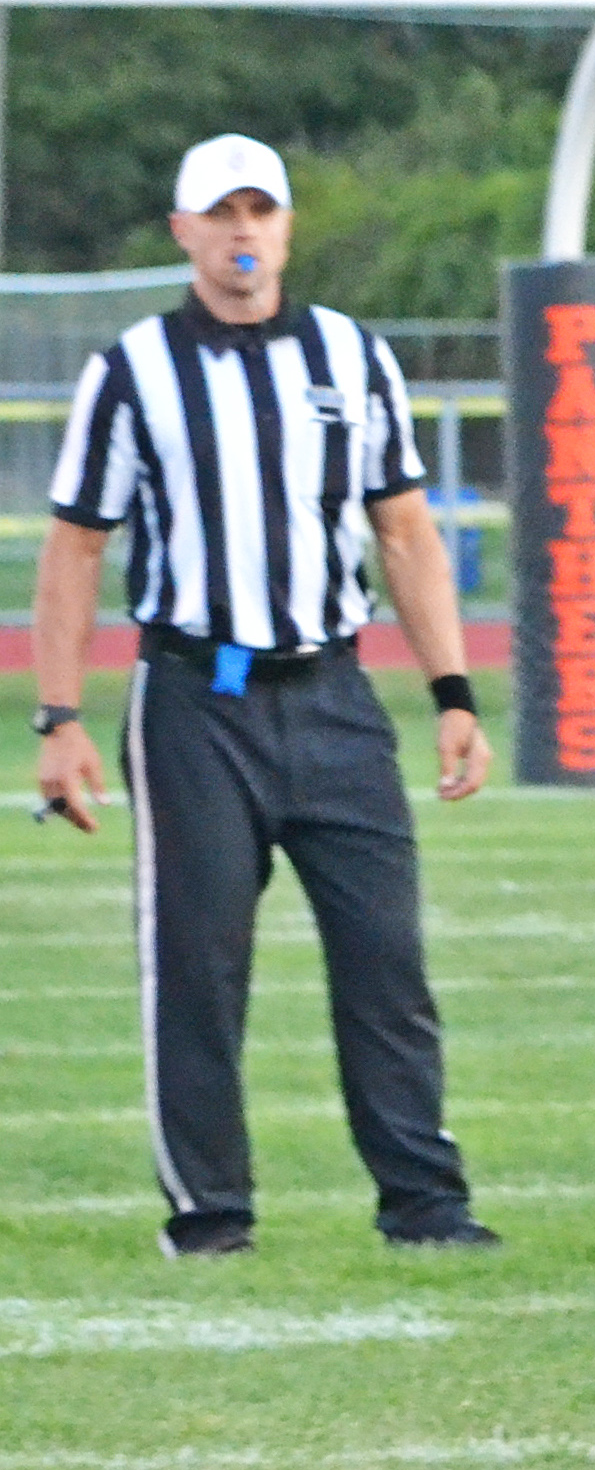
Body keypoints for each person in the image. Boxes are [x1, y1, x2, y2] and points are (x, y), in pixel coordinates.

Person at [28, 131, 496, 1257]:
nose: (243, 231)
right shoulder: (133, 369)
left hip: (333, 694)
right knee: (197, 966)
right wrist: (58, 719)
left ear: (286, 225)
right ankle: (209, 1213)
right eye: (220, 213)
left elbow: (404, 532)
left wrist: (453, 689)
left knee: (385, 958)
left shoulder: (350, 355)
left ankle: (424, 1206)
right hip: (196, 696)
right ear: (183, 230)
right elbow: (75, 548)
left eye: (261, 210)